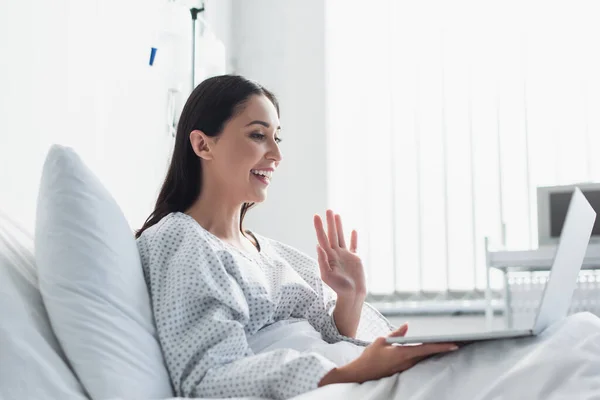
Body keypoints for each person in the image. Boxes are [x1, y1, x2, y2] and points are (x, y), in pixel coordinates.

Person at [135, 75, 457, 400]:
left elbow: (327, 339)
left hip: (349, 377)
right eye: (258, 135)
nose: (276, 154)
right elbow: (210, 376)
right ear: (203, 144)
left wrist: (351, 298)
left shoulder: (273, 253)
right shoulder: (181, 238)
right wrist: (352, 373)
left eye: (277, 138)